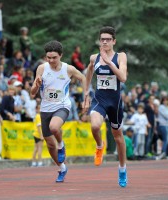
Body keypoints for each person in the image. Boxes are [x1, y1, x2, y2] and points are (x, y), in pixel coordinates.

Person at [30, 40, 89, 183]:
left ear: (61, 55)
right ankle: (62, 168)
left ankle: (61, 145)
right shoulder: (42, 69)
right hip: (45, 108)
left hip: (62, 105)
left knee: (54, 127)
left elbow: (83, 78)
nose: (50, 60)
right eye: (48, 57)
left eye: (54, 57)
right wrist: (36, 85)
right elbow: (32, 93)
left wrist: (86, 97)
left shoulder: (68, 69)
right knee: (50, 145)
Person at [85, 26, 128, 187]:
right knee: (95, 125)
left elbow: (123, 78)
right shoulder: (93, 58)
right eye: (102, 39)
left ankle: (122, 169)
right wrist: (85, 92)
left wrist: (109, 62)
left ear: (114, 41)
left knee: (118, 137)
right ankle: (99, 146)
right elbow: (88, 73)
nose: (104, 41)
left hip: (114, 102)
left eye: (108, 39)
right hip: (99, 99)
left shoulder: (120, 56)